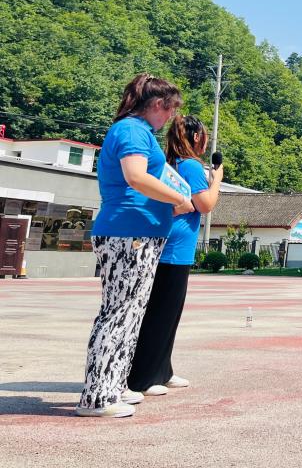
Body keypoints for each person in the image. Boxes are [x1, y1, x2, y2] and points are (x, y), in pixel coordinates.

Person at [77, 74, 190, 418]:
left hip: (139, 233)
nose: (170, 117)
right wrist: (178, 199)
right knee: (118, 313)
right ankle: (98, 396)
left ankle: (114, 383)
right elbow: (136, 176)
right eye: (169, 109)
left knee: (131, 313)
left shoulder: (138, 131)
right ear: (156, 104)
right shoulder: (132, 130)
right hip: (128, 233)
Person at [127, 115, 223, 396]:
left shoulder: (170, 164)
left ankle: (162, 370)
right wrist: (217, 180)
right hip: (174, 251)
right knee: (162, 315)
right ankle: (144, 378)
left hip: (166, 245)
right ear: (197, 137)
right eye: (204, 137)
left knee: (164, 313)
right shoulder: (191, 166)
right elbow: (205, 204)